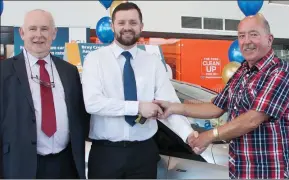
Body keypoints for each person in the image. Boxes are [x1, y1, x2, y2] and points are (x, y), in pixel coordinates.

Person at [154, 13, 289, 179]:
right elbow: (216, 107)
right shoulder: (242, 71)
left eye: (253, 34)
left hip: (269, 171)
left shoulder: (280, 72)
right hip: (241, 169)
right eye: (241, 36)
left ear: (269, 39)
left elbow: (253, 118)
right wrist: (175, 107)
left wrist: (209, 136)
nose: (246, 41)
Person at [82, 2, 198, 179]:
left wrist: (188, 134)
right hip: (106, 153)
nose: (127, 27)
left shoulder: (152, 63)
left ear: (141, 27)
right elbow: (92, 103)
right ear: (112, 26)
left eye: (133, 22)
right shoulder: (95, 60)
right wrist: (137, 107)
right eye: (121, 23)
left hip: (143, 153)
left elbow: (170, 104)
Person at [0, 9, 90, 178]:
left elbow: (79, 114)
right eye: (33, 29)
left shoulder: (69, 71)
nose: (38, 35)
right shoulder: (4, 71)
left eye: (44, 29)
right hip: (20, 165)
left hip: (66, 164)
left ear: (54, 33)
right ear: (22, 32)